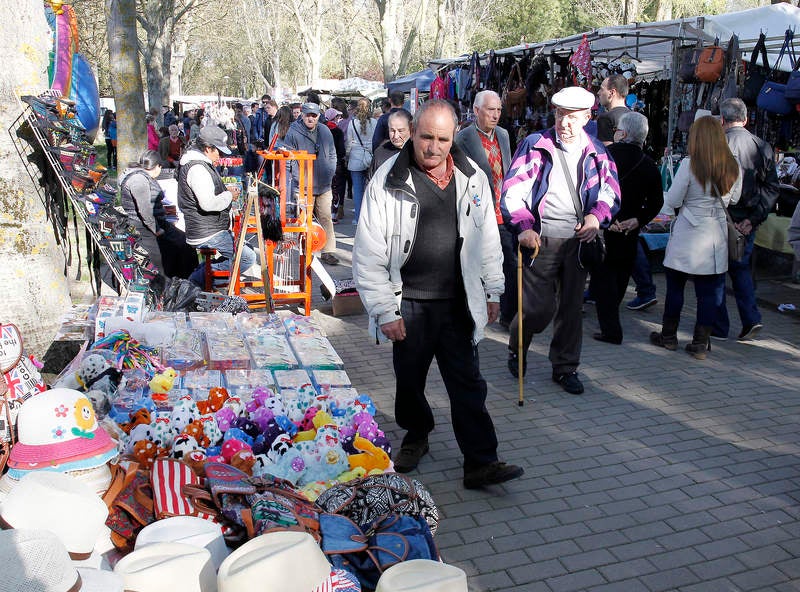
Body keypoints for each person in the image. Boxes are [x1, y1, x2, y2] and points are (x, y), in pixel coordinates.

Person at [352, 99, 524, 489]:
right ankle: (417, 434)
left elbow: (486, 242)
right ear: (412, 132)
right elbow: (368, 252)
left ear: (453, 137)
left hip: (458, 300)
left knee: (469, 384)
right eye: (426, 137)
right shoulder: (386, 181)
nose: (433, 147)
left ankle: (481, 461)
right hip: (408, 302)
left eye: (442, 139)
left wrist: (493, 290)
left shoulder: (473, 177)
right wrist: (384, 311)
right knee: (409, 382)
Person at [500, 86, 621, 394]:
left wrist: (596, 218)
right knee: (536, 309)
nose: (564, 123)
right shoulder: (535, 144)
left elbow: (611, 191)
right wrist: (524, 226)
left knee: (570, 308)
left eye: (571, 117)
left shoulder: (597, 152)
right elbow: (512, 191)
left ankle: (565, 367)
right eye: (559, 114)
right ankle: (517, 347)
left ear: (586, 117)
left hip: (578, 241)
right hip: (539, 239)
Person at [650, 116, 742, 359]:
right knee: (708, 293)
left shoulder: (690, 165)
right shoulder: (733, 165)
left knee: (676, 288)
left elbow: (673, 201)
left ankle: (668, 336)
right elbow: (735, 199)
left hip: (689, 232)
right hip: (716, 233)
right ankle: (701, 342)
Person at [591, 112, 663, 344]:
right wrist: (638, 220)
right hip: (629, 229)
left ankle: (611, 329)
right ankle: (611, 326)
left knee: (603, 278)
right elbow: (656, 202)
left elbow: (590, 191)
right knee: (620, 276)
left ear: (622, 133)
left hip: (604, 227)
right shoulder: (649, 164)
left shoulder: (605, 157)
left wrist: (603, 219)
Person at [713, 98, 780, 340]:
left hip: (724, 218)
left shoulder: (718, 145)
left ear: (722, 120)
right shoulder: (761, 146)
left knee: (718, 271)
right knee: (740, 269)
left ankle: (720, 326)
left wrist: (747, 219)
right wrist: (753, 219)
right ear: (746, 118)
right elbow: (772, 188)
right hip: (745, 219)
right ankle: (751, 318)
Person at [454, 90, 515, 328]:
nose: (496, 114)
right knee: (478, 265)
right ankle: (476, 311)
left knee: (509, 264)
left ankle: (509, 315)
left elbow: (507, 169)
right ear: (477, 110)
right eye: (491, 110)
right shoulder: (464, 138)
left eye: (499, 109)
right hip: (479, 213)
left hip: (504, 210)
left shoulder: (503, 134)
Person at [178, 125, 258, 287]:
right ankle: (197, 282)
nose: (220, 156)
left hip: (206, 227)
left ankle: (203, 275)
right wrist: (229, 195)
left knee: (245, 246)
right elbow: (208, 204)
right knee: (248, 257)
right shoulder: (198, 168)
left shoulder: (199, 165)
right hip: (206, 231)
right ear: (208, 149)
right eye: (218, 152)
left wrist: (224, 190)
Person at [118, 150, 196, 282]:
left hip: (155, 224)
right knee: (181, 247)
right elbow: (145, 210)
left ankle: (187, 281)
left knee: (185, 243)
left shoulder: (140, 177)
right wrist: (157, 230)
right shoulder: (139, 180)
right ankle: (182, 283)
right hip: (147, 228)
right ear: (158, 166)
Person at [283, 102, 339, 265]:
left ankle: (328, 251)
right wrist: (295, 179)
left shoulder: (325, 130)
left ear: (318, 117)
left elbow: (333, 153)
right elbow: (288, 158)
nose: (310, 118)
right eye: (308, 115)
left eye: (314, 116)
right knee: (304, 219)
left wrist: (331, 172)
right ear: (302, 115)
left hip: (324, 184)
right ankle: (305, 251)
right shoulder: (293, 132)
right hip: (303, 185)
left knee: (325, 217)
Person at [346, 98, 378, 225]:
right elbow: (376, 140)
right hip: (370, 157)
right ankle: (370, 218)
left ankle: (358, 218)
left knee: (358, 190)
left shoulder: (352, 123)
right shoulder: (374, 122)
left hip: (356, 158)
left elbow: (349, 143)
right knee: (371, 190)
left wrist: (347, 156)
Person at [369, 108, 412, 178]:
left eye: (400, 131)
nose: (396, 136)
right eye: (392, 131)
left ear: (410, 129)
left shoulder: (418, 153)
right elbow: (370, 183)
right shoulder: (379, 153)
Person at [324, 107, 347, 223]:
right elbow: (342, 150)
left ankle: (323, 213)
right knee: (335, 189)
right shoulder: (338, 131)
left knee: (324, 189)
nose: (339, 119)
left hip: (323, 163)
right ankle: (333, 214)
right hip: (336, 163)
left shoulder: (321, 130)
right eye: (337, 117)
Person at [595, 74, 629, 145]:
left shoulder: (605, 118)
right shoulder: (636, 117)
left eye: (601, 89)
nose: (598, 93)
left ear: (612, 92)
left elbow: (607, 152)